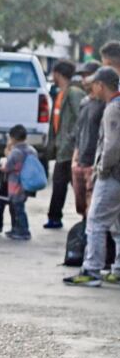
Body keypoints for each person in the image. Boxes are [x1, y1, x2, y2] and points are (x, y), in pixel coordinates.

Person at [64, 66, 120, 287]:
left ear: (101, 85)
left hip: (112, 175)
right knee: (117, 225)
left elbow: (112, 145)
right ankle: (117, 268)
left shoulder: (113, 109)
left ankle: (91, 270)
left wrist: (102, 169)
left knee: (95, 221)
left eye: (94, 84)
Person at [45, 60, 84, 229]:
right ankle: (55, 217)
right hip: (62, 148)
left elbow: (81, 118)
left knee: (70, 185)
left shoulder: (73, 93)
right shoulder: (61, 94)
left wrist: (70, 138)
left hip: (70, 149)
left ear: (58, 74)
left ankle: (83, 216)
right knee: (61, 184)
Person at [71, 60, 105, 218]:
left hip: (94, 163)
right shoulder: (84, 102)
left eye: (88, 75)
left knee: (92, 209)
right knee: (81, 206)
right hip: (80, 162)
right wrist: (75, 157)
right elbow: (79, 131)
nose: (84, 80)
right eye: (83, 76)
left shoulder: (105, 104)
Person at [1, 124, 36, 240]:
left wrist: (7, 153)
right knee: (18, 207)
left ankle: (24, 231)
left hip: (15, 185)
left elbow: (7, 167)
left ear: (13, 138)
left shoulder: (15, 152)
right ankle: (16, 229)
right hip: (27, 184)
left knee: (18, 209)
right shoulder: (32, 150)